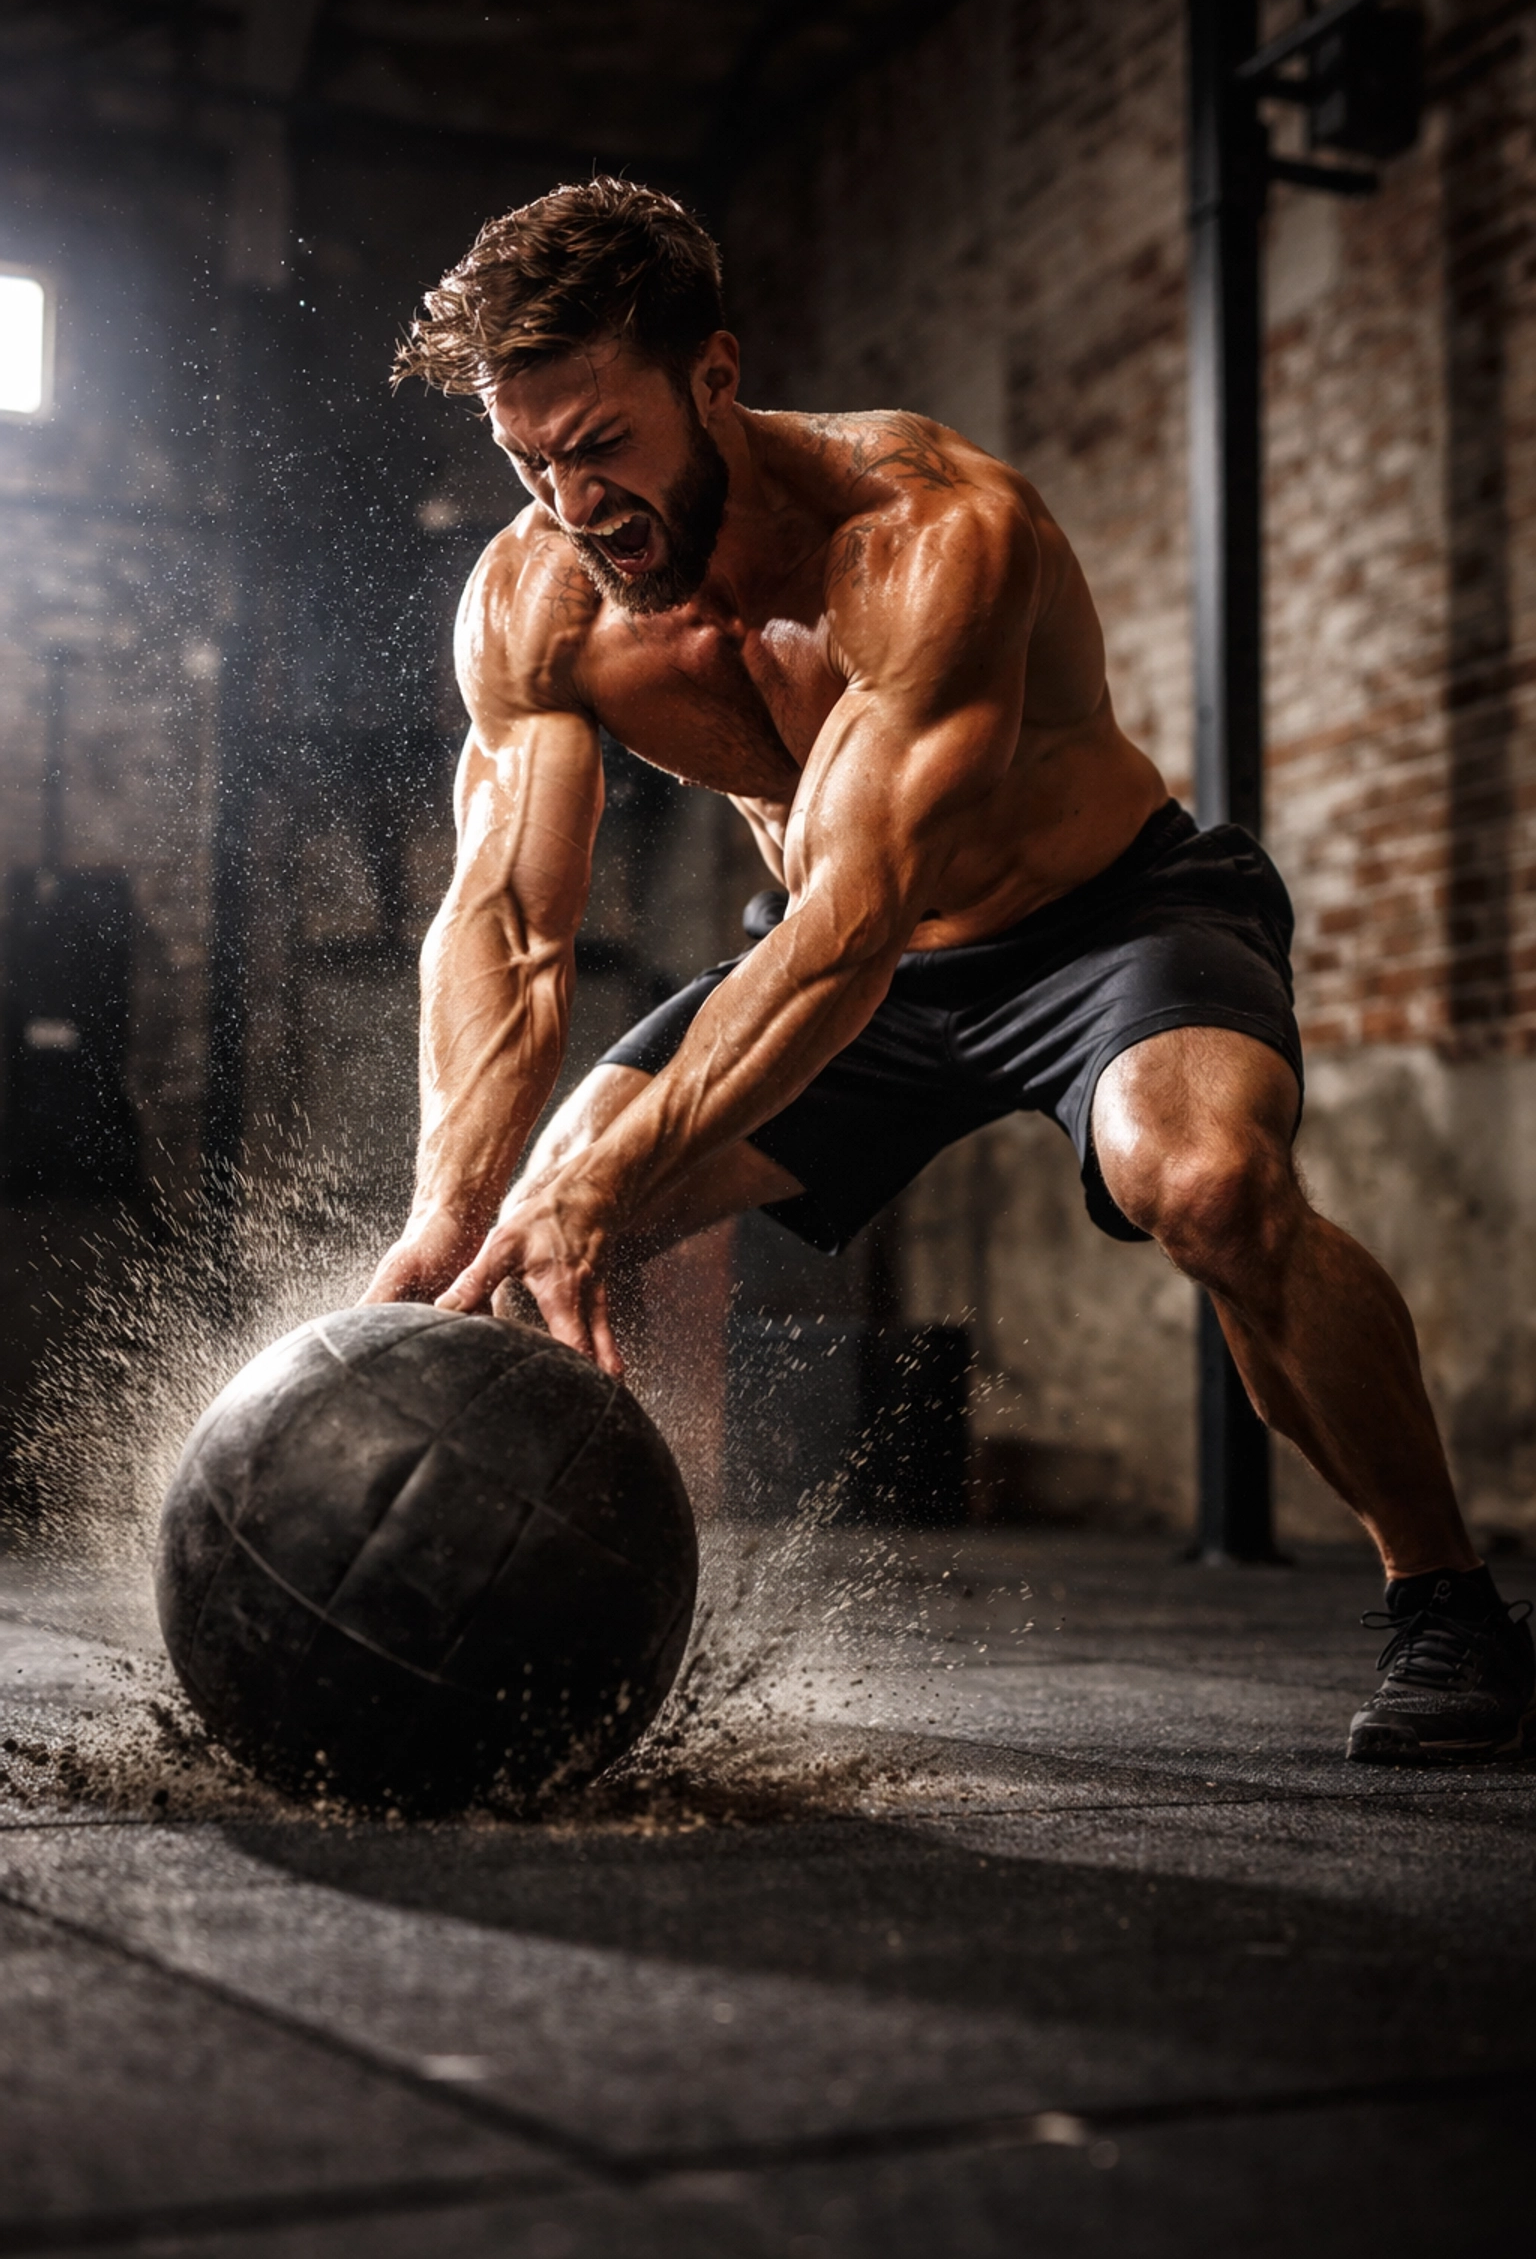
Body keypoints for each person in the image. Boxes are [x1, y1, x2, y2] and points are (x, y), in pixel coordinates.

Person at [366, 177, 1532, 1765]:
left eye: (603, 445)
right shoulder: (535, 605)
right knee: (535, 1240)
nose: (575, 503)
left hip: (1098, 925)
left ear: (714, 376)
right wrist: (457, 1199)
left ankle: (1448, 1605)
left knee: (1208, 1186)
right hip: (846, 958)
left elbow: (857, 912)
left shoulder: (929, 535)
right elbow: (508, 923)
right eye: (530, 460)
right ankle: (614, 1621)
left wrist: (603, 1170)